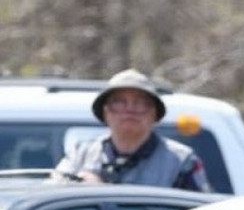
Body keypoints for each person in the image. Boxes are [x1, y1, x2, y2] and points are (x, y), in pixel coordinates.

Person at [52, 68, 212, 191]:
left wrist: (102, 192)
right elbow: (53, 194)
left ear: (154, 114)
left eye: (140, 103)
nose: (129, 110)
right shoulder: (81, 155)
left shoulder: (182, 162)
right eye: (119, 102)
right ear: (105, 112)